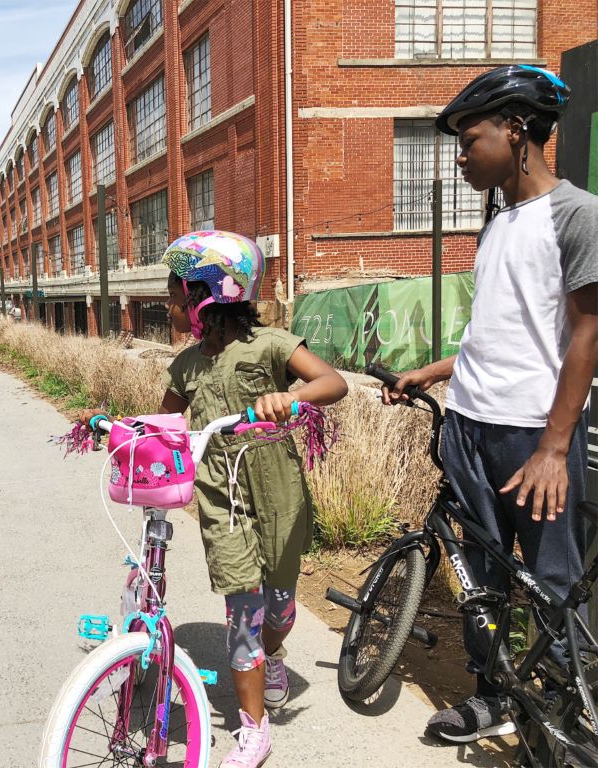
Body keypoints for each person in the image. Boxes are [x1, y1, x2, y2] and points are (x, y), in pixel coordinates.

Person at [383, 65, 597, 745]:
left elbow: (588, 336)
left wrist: (555, 449)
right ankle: (492, 696)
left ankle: (563, 707)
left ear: (516, 130)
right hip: (470, 424)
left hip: (534, 434)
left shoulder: (577, 214)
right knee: (480, 577)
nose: (460, 152)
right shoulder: (499, 221)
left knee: (551, 580)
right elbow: (499, 332)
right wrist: (435, 370)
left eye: (469, 138)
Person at [81, 232, 348, 768]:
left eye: (176, 292)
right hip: (218, 498)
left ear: (210, 293)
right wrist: (119, 431)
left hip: (278, 490)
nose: (169, 301)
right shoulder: (183, 367)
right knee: (243, 613)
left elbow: (333, 382)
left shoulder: (270, 345)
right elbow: (166, 424)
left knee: (278, 606)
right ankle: (254, 730)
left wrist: (289, 398)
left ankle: (274, 652)